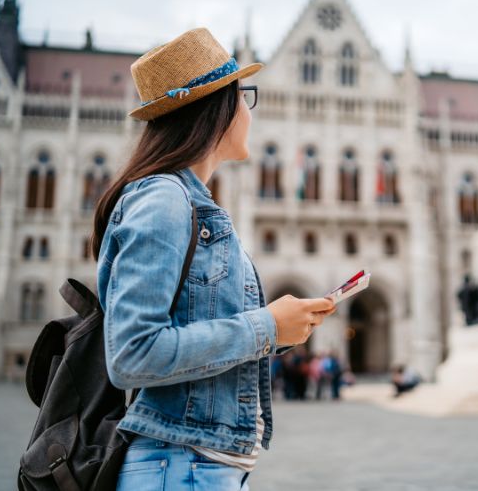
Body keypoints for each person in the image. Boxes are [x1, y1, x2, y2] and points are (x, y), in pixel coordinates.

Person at [92, 28, 336, 490]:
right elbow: (133, 352)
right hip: (180, 465)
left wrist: (283, 329)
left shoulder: (187, 199)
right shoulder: (164, 199)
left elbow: (192, 327)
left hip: (199, 464)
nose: (249, 112)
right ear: (217, 109)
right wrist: (265, 327)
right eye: (244, 97)